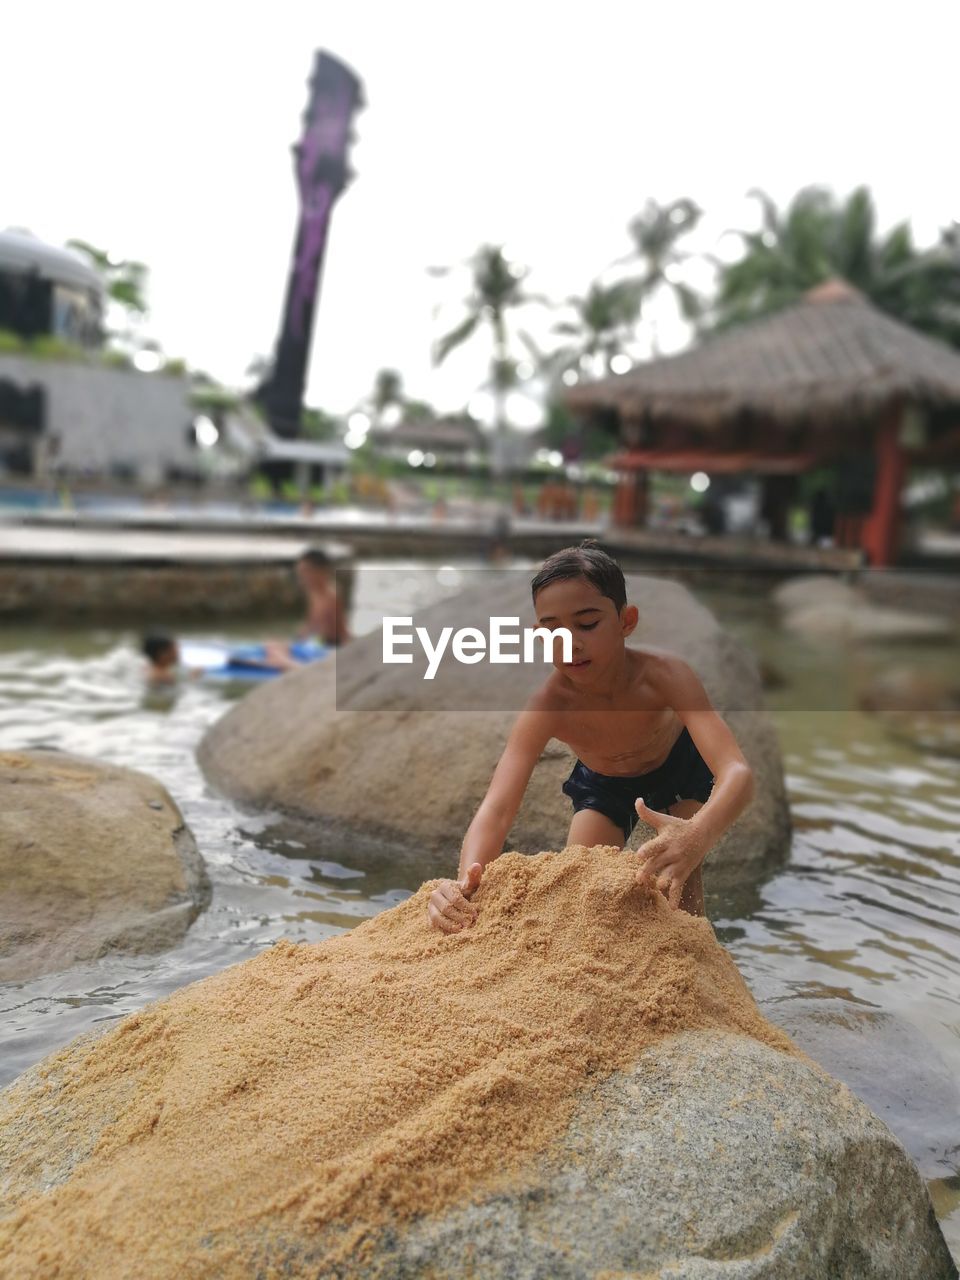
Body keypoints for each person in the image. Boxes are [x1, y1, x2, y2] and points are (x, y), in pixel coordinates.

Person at [426, 541, 754, 932]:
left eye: (587, 624)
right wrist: (465, 881)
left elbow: (737, 772)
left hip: (680, 771)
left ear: (626, 621)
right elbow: (497, 809)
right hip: (605, 783)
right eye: (552, 631)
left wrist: (698, 835)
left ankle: (696, 971)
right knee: (580, 897)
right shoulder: (549, 705)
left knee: (680, 898)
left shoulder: (665, 676)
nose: (570, 643)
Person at [262, 547, 350, 670]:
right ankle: (284, 660)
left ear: (321, 571)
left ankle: (289, 664)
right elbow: (310, 625)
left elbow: (339, 633)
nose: (302, 578)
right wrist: (294, 641)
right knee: (273, 644)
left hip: (327, 647)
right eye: (301, 573)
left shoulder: (332, 596)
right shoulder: (313, 593)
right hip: (316, 643)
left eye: (306, 572)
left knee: (276, 652)